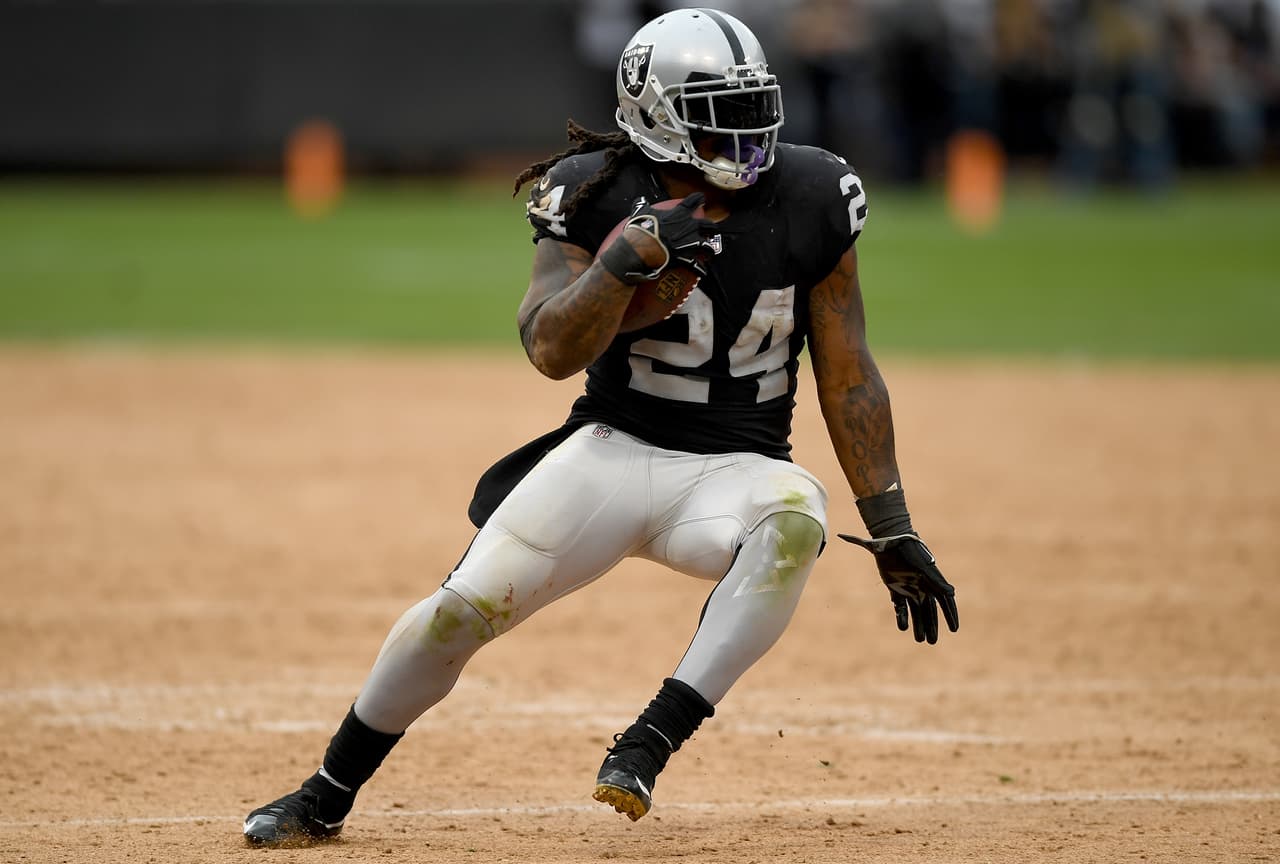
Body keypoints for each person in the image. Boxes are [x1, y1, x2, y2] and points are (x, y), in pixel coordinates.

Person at [242, 6, 958, 846]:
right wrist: (618, 266)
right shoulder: (594, 189)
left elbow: (847, 370)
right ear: (656, 112)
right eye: (716, 111)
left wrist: (893, 522)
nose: (745, 132)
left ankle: (649, 742)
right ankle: (326, 792)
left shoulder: (814, 192)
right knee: (457, 613)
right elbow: (549, 348)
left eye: (750, 104)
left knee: (796, 516)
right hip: (613, 453)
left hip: (737, 471)